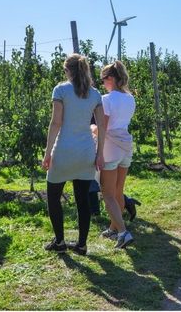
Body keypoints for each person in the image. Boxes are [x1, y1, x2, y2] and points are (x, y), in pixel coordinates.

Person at [42, 54, 106, 255]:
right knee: (82, 200)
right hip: (86, 152)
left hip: (63, 151)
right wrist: (100, 154)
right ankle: (81, 245)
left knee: (53, 198)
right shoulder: (95, 94)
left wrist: (47, 153)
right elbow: (102, 125)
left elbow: (56, 123)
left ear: (68, 71)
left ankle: (60, 242)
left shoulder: (60, 90)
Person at [97, 61, 137, 248]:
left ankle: (122, 232)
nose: (103, 83)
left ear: (111, 78)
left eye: (103, 79)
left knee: (107, 194)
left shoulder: (107, 99)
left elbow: (103, 127)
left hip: (110, 147)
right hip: (126, 145)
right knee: (118, 190)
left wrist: (93, 130)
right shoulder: (130, 98)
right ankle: (114, 228)